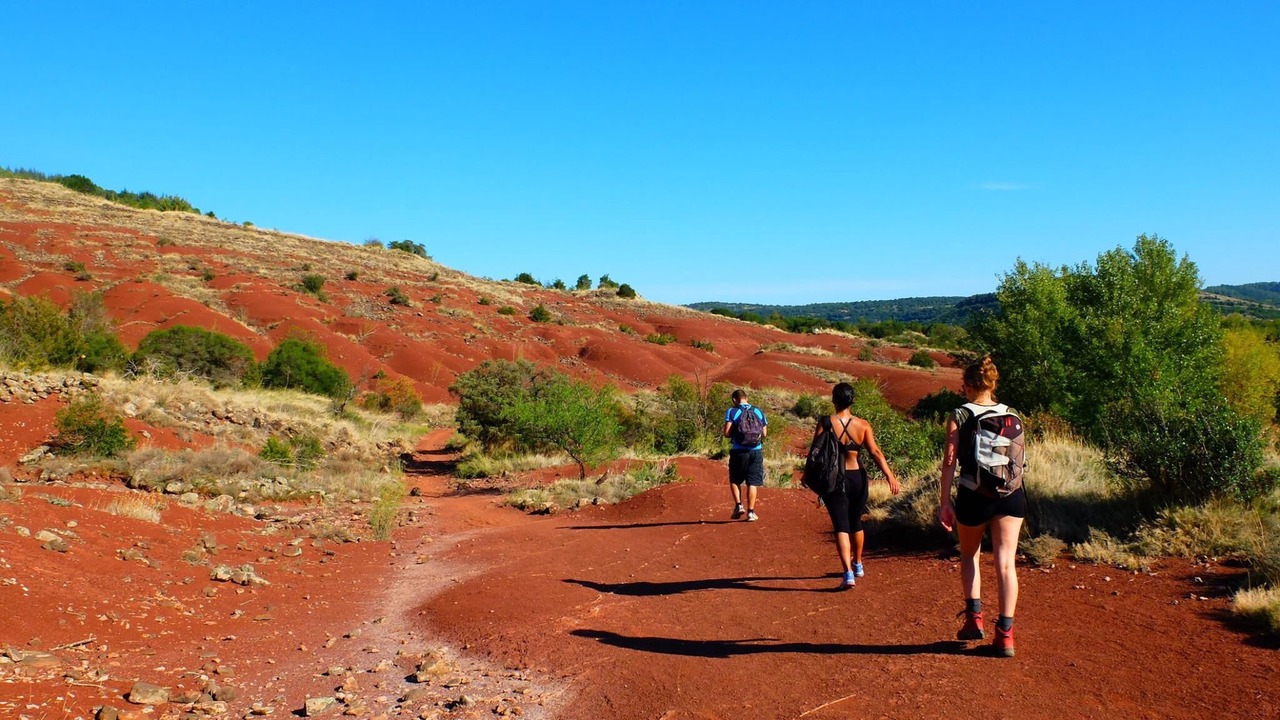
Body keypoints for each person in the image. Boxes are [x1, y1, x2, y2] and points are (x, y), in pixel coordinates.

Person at [939, 356, 1025, 657]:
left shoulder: (960, 414)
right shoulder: (1011, 413)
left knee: (969, 554)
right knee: (1005, 563)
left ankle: (974, 619)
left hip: (973, 494)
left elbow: (950, 461)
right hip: (1011, 495)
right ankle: (1005, 635)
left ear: (968, 386)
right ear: (992, 384)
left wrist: (944, 502)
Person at [812, 382, 901, 589]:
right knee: (856, 523)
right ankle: (858, 563)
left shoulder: (826, 422)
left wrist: (811, 478)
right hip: (858, 478)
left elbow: (815, 452)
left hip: (834, 480)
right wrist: (890, 476)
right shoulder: (863, 425)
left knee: (841, 527)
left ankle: (848, 574)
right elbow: (875, 452)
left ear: (834, 399)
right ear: (852, 400)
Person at [723, 388, 767, 521]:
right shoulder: (758, 411)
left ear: (734, 400)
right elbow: (764, 434)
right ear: (746, 398)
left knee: (735, 479)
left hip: (739, 451)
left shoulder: (732, 411)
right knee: (752, 482)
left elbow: (727, 433)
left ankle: (738, 505)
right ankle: (751, 512)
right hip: (756, 451)